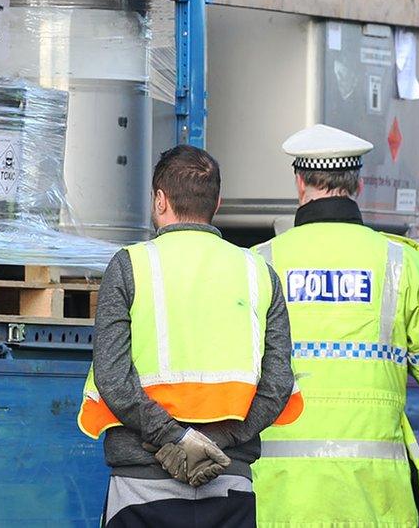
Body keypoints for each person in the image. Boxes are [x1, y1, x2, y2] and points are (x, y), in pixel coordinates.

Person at [252, 124, 419, 527]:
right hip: (374, 497)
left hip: (281, 496)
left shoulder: (257, 264)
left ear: (300, 184)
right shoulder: (403, 263)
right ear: (360, 185)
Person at [77, 145, 303, 527]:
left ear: (160, 201)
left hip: (141, 486)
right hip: (229, 484)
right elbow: (278, 383)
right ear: (217, 202)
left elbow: (113, 378)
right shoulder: (258, 272)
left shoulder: (131, 265)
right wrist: (219, 442)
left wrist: (176, 440)